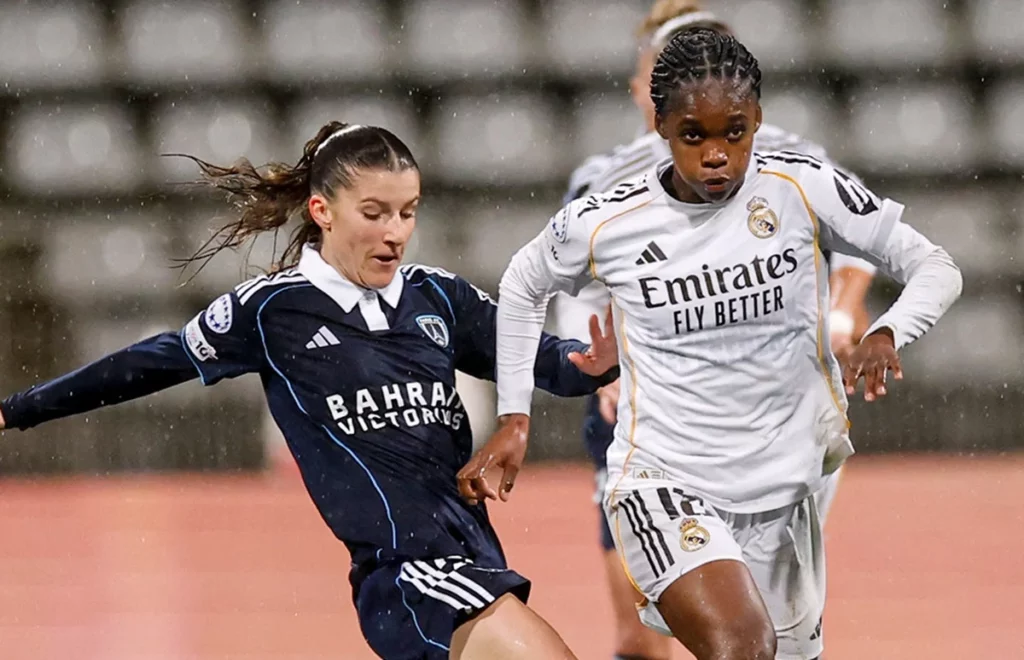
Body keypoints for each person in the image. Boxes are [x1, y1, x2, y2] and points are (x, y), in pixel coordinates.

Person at [0, 122, 622, 660]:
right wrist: (16, 410)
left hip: (474, 554)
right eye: (374, 213)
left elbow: (540, 362)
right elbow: (146, 364)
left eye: (408, 211)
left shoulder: (438, 296)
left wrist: (589, 362)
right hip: (406, 575)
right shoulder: (272, 311)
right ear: (323, 211)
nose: (396, 232)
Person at [461, 28, 961, 660]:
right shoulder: (609, 218)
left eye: (736, 132)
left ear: (758, 120)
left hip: (786, 491)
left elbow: (936, 265)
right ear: (662, 127)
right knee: (742, 645)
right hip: (664, 479)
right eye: (695, 135)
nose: (718, 154)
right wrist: (514, 416)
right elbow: (522, 283)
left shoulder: (803, 188)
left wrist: (889, 328)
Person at [552, 4, 877, 657]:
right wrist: (605, 367)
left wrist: (842, 316)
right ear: (644, 82)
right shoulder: (607, 178)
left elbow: (859, 253)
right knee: (646, 630)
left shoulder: (795, 160)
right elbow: (575, 291)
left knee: (757, 625)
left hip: (772, 417)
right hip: (651, 419)